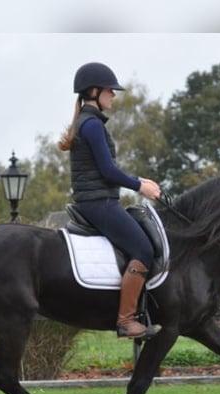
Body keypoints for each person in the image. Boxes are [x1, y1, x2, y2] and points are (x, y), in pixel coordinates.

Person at [58, 62, 162, 339]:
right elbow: (108, 171)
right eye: (109, 90)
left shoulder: (89, 122)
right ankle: (126, 320)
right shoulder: (91, 124)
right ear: (94, 91)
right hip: (98, 202)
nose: (113, 95)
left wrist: (141, 182)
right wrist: (141, 185)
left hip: (97, 200)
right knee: (144, 250)